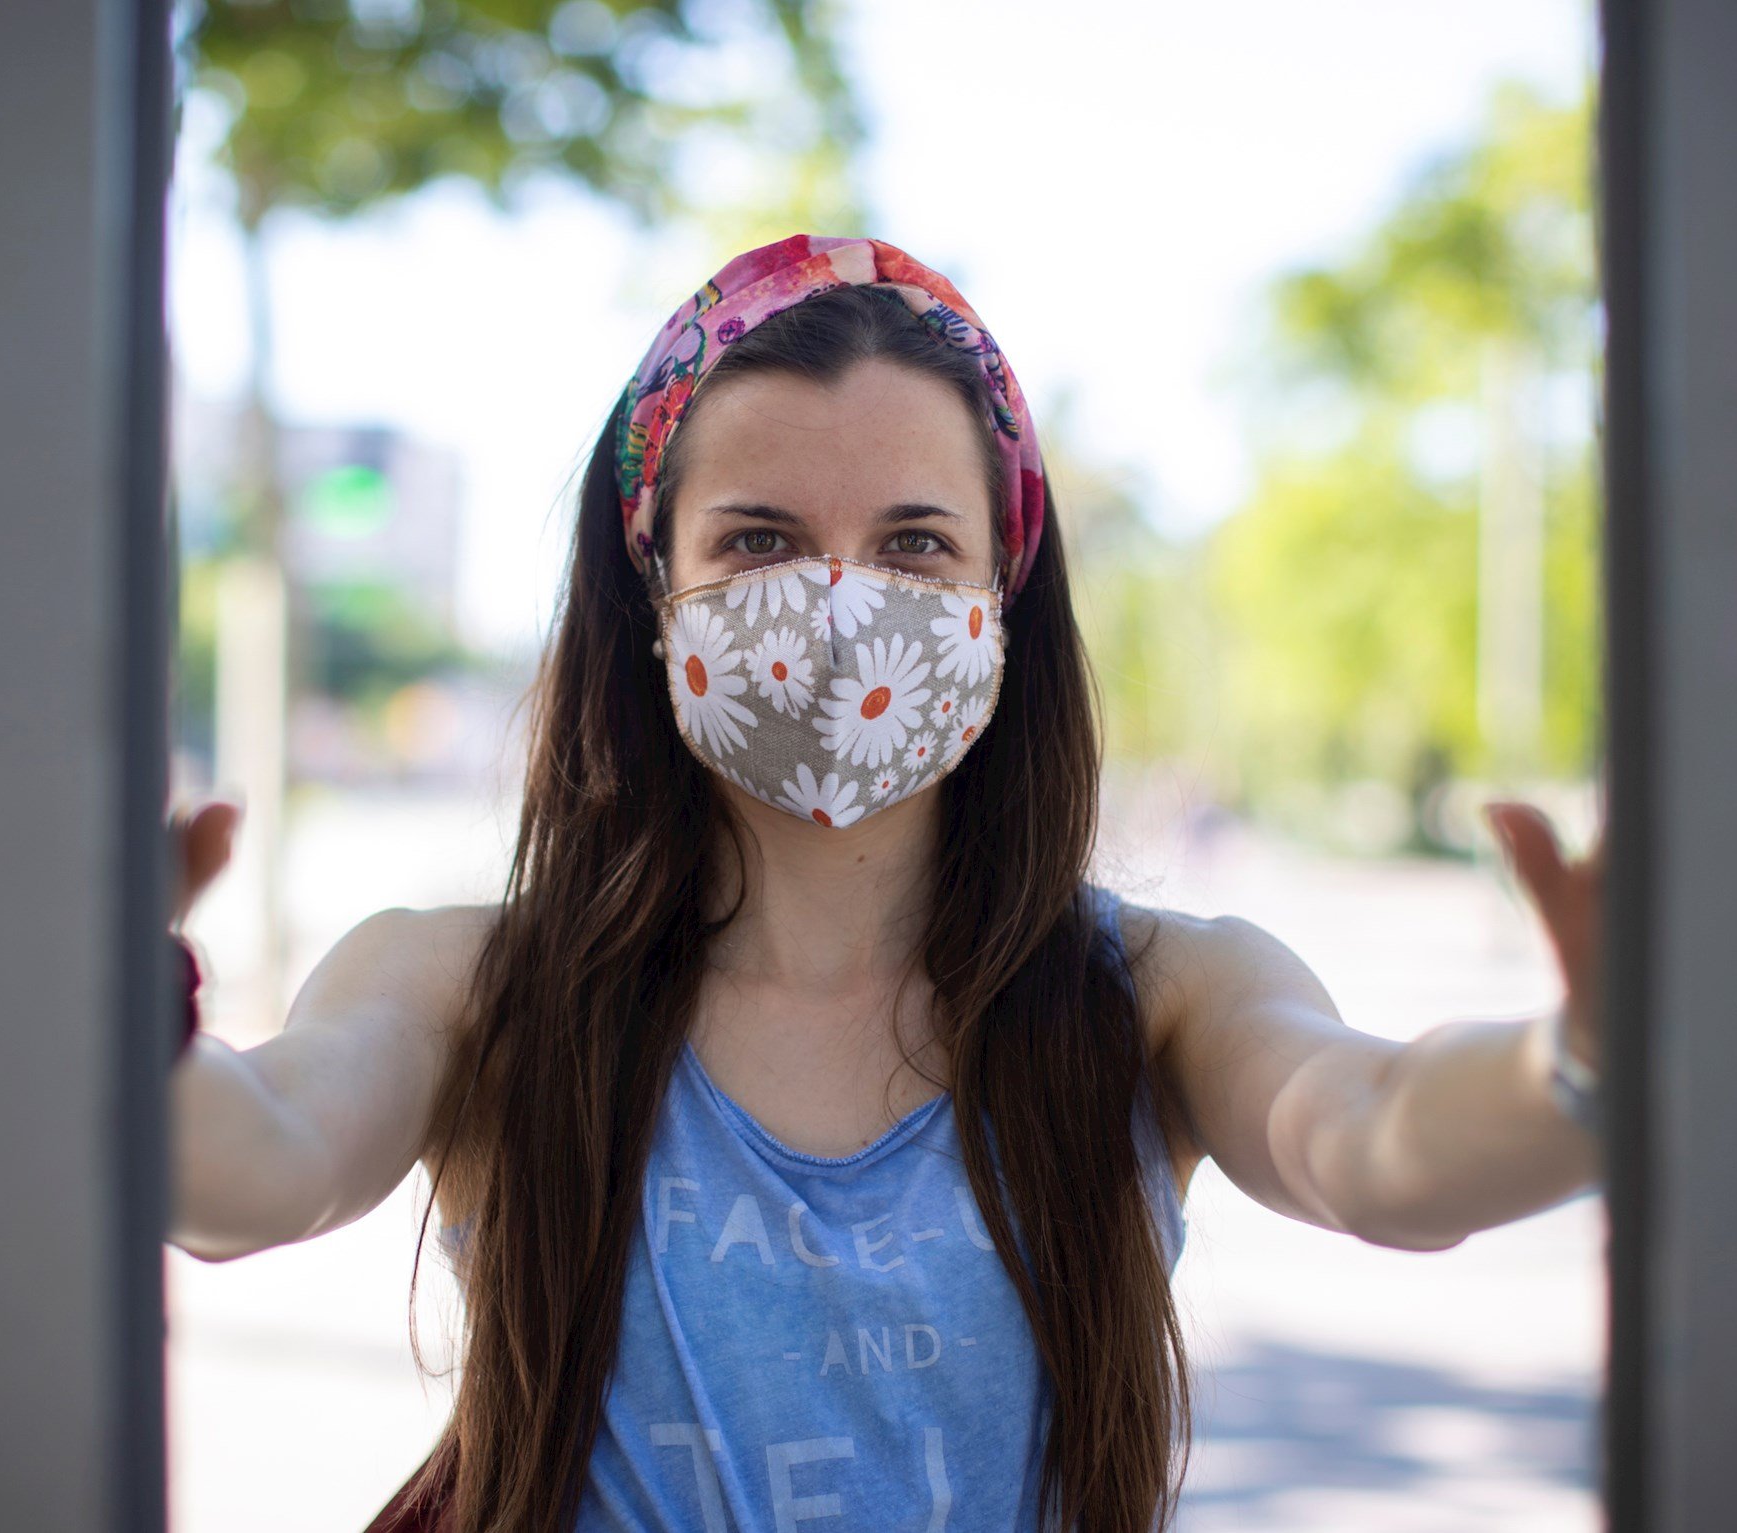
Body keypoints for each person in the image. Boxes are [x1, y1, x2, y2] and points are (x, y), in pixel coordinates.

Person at [165, 234, 1605, 1533]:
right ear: (654, 580)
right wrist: (115, 999)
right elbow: (257, 1168)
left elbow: (1375, 1140)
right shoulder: (469, 987)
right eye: (760, 539)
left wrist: (1588, 1057)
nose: (841, 600)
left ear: (1000, 594)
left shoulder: (1158, 996)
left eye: (916, 543)